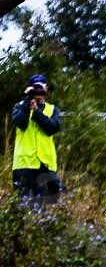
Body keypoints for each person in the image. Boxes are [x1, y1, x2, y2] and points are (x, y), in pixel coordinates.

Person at [10, 73, 62, 204]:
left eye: (40, 89)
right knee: (23, 206)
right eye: (35, 89)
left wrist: (37, 111)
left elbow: (52, 128)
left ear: (46, 90)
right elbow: (20, 123)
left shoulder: (53, 109)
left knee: (45, 208)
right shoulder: (19, 107)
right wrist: (28, 103)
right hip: (24, 165)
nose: (38, 93)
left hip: (46, 165)